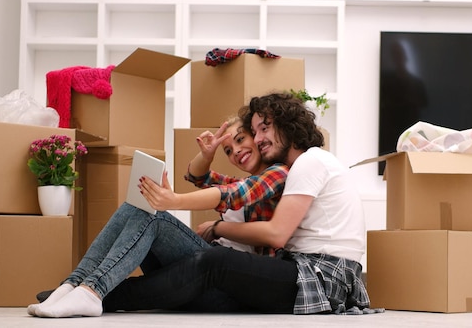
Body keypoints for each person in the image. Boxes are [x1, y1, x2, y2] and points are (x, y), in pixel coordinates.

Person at [94, 92, 377, 315]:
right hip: (312, 272)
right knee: (172, 242)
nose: (260, 139)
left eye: (264, 129)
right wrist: (206, 157)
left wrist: (216, 227)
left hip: (321, 277)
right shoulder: (295, 169)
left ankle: (102, 294)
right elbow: (205, 179)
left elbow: (276, 234)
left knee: (215, 261)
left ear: (288, 124)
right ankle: (88, 286)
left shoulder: (309, 162)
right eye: (256, 132)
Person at [27, 116, 289, 317]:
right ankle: (75, 284)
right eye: (228, 150)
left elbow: (231, 193)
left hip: (230, 285)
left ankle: (92, 291)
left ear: (256, 138)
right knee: (138, 205)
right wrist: (207, 154)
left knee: (155, 216)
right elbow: (199, 177)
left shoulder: (276, 174)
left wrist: (194, 212)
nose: (236, 152)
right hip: (203, 267)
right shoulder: (243, 179)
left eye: (241, 139)